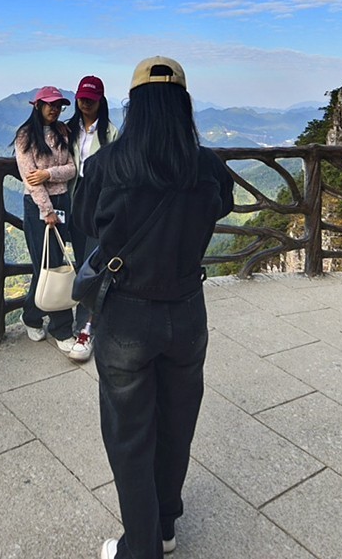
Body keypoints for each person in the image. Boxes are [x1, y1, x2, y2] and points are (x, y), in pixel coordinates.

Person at [73, 56, 234, 559]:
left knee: (129, 432)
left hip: (127, 313)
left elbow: (85, 222)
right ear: (183, 105)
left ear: (134, 106)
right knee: (177, 421)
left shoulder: (106, 165)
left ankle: (141, 548)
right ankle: (164, 523)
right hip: (186, 310)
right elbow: (224, 205)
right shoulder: (208, 166)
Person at [14, 86, 77, 351]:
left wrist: (49, 174)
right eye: (50, 104)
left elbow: (72, 168)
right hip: (39, 207)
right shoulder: (25, 136)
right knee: (49, 264)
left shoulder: (62, 131)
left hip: (63, 202)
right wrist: (47, 210)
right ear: (38, 105)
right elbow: (31, 180)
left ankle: (31, 315)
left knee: (49, 263)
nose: (55, 109)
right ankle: (62, 329)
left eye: (59, 105)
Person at [65, 75, 119, 363]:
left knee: (92, 266)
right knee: (77, 263)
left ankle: (85, 329)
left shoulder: (111, 133)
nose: (85, 103)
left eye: (91, 98)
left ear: (101, 100)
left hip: (99, 206)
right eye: (82, 98)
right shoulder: (67, 130)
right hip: (72, 202)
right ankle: (77, 322)